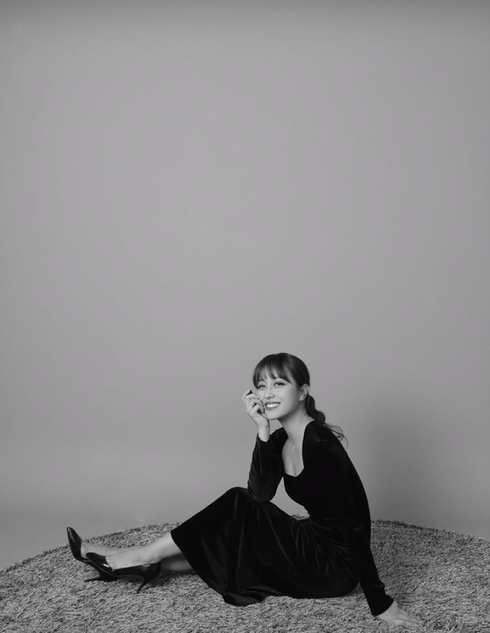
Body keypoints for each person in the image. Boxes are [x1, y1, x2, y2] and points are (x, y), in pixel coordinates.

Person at [67, 352, 421, 627]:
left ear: (302, 391)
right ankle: (144, 560)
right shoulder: (280, 438)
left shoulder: (322, 445)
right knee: (240, 530)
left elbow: (354, 526)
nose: (268, 394)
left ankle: (141, 556)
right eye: (261, 386)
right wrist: (262, 431)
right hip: (312, 541)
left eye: (279, 384)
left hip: (334, 568)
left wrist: (380, 602)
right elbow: (261, 494)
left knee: (239, 506)